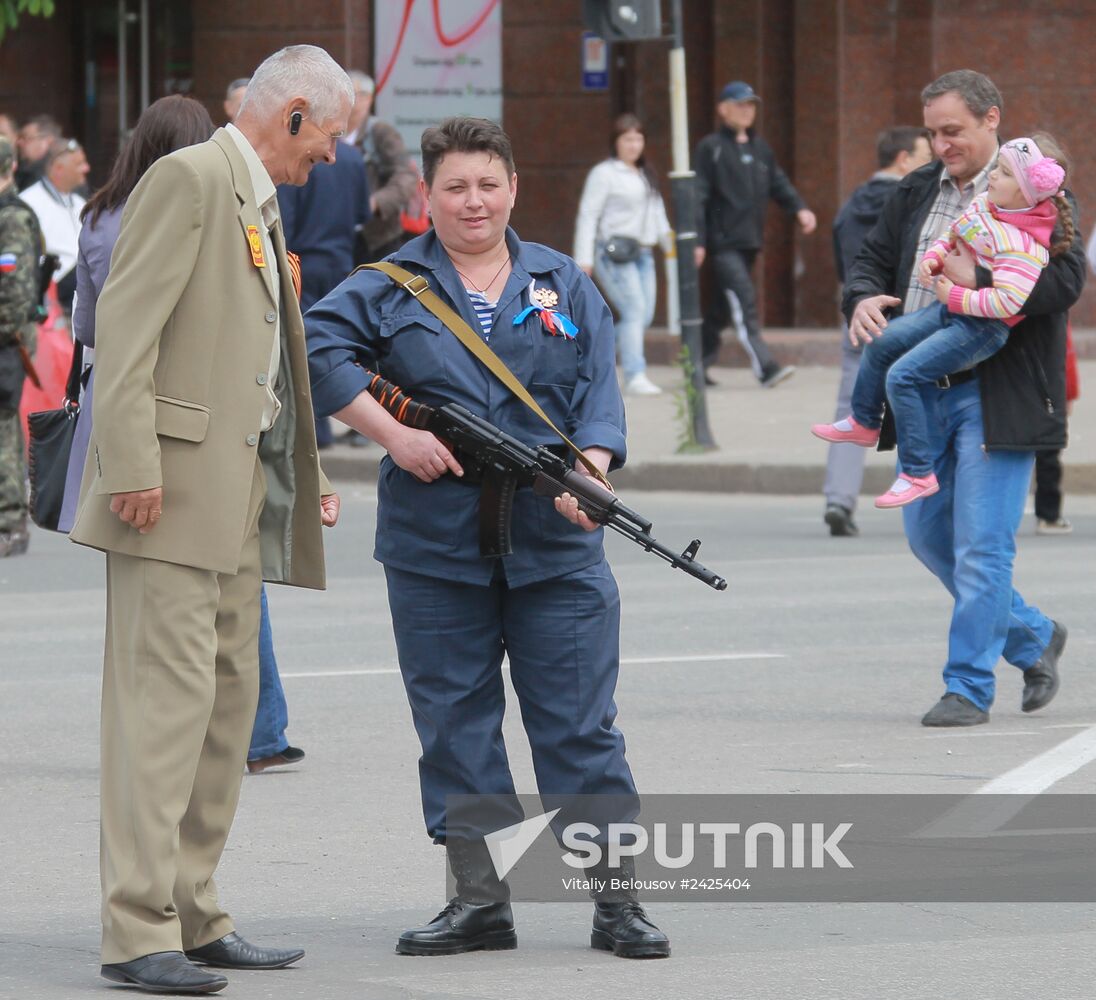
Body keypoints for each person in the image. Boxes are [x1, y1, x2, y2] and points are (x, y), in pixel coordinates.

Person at [307, 116, 670, 960]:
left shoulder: (564, 282)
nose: (474, 202)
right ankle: (480, 900)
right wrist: (390, 435)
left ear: (513, 189)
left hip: (555, 539)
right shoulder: (387, 283)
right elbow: (314, 348)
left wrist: (594, 470)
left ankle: (616, 902)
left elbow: (598, 388)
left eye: (489, 185)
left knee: (580, 726)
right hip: (434, 548)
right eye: (456, 187)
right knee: (455, 722)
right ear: (426, 197)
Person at [68, 44, 350, 994]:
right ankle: (136, 927)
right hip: (169, 497)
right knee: (163, 718)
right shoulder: (189, 179)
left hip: (234, 502)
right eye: (331, 138)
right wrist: (133, 467)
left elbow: (256, 358)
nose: (334, 160)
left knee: (227, 717)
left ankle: (194, 911)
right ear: (298, 112)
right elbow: (126, 333)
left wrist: (299, 473)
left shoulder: (256, 199)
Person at [840, 70, 1084, 728]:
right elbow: (870, 258)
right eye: (932, 132)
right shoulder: (917, 189)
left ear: (991, 121)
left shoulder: (1038, 190)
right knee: (927, 536)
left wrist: (973, 277)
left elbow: (1065, 280)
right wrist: (862, 297)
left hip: (997, 394)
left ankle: (968, 686)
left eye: (953, 131)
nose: (940, 144)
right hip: (923, 391)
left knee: (983, 546)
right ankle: (1032, 636)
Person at [814, 135, 1072, 509]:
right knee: (881, 339)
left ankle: (918, 474)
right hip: (950, 310)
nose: (993, 179)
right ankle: (864, 421)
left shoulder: (1025, 245)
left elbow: (1009, 301)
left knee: (903, 376)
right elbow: (955, 231)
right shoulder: (989, 205)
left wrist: (954, 294)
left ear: (1025, 192)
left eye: (1002, 174)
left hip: (983, 328)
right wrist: (933, 259)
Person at [822, 126, 933, 537]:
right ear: (903, 160)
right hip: (906, 317)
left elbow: (842, 262)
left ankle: (839, 498)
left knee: (852, 411)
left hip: (858, 315)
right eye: (924, 154)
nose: (930, 162)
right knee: (917, 397)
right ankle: (924, 497)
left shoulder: (850, 205)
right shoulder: (912, 202)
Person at [694, 80, 816, 387]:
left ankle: (695, 366)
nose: (747, 111)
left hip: (749, 242)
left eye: (750, 105)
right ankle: (766, 367)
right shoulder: (712, 148)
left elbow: (778, 183)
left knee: (723, 307)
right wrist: (697, 240)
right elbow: (698, 196)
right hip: (722, 244)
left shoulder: (760, 149)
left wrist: (800, 208)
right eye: (740, 104)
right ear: (723, 109)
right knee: (744, 299)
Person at [574, 112, 672, 396]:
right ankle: (634, 373)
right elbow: (588, 214)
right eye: (627, 139)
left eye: (638, 138)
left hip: (643, 252)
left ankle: (589, 361)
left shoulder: (645, 174)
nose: (633, 145)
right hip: (613, 252)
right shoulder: (605, 173)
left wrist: (672, 248)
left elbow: (658, 214)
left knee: (644, 314)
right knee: (634, 310)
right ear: (616, 142)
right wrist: (584, 259)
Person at [0, 133, 42, 558]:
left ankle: (9, 522)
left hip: (5, 340)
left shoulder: (11, 216)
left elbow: (12, 289)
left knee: (2, 430)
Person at [344, 69, 417, 262]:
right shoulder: (331, 131)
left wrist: (376, 203)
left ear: (368, 99)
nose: (347, 100)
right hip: (338, 234)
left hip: (376, 237)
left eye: (353, 94)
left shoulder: (380, 132)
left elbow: (406, 176)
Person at [18, 136, 89, 312]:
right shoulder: (29, 203)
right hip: (51, 297)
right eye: (79, 164)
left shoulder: (81, 203)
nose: (87, 168)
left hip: (82, 293)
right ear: (58, 169)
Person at [1032, 319, 1079, 534]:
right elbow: (1066, 356)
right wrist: (1069, 394)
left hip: (1014, 386)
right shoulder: (1057, 307)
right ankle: (1048, 515)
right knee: (1048, 453)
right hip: (1049, 390)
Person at [15, 114, 60, 191]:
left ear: (48, 142)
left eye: (26, 138)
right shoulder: (23, 171)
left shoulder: (47, 176)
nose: (19, 143)